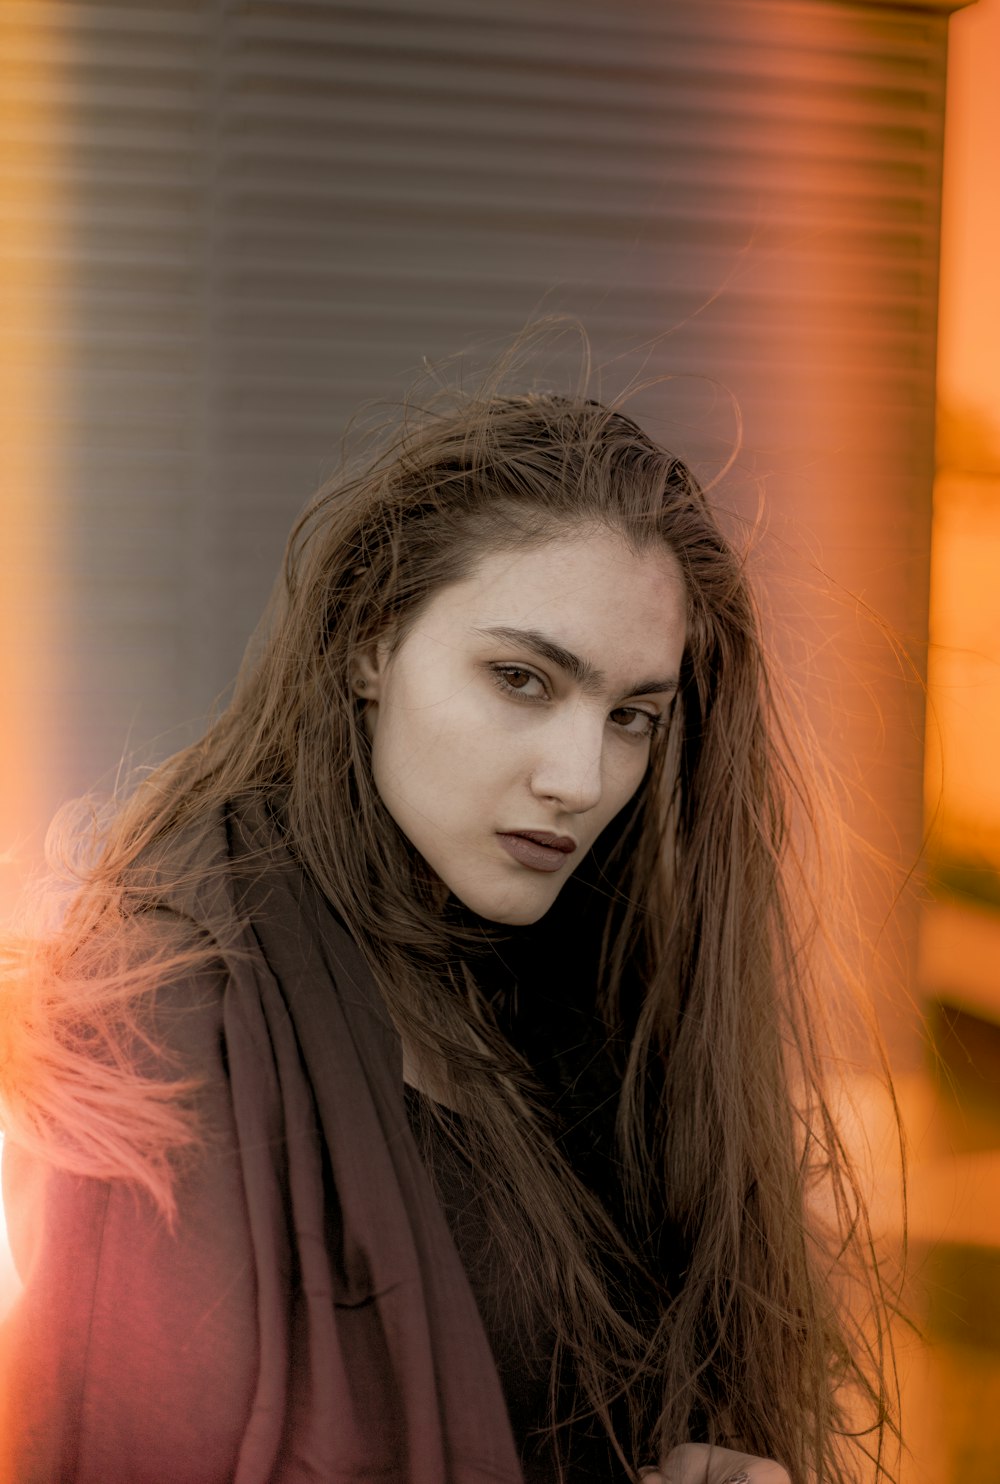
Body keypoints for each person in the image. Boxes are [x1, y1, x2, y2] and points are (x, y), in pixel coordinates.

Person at [0, 379, 902, 1483]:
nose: (580, 779)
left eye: (631, 717)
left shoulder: (577, 1003)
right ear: (371, 644)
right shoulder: (179, 1009)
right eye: (520, 679)